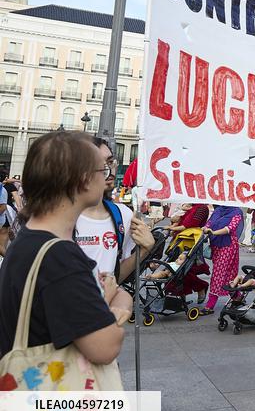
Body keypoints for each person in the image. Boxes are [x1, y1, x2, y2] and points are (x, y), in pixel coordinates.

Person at [0, 131, 131, 367]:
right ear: (83, 180)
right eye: (103, 170)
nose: (107, 177)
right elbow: (105, 346)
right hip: (55, 397)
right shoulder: (60, 256)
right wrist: (116, 303)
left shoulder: (30, 237)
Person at [74, 136, 154, 284]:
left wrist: (144, 250)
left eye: (110, 162)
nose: (108, 170)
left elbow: (115, 278)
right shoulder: (62, 216)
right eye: (97, 163)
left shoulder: (122, 214)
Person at [199, 205, 244, 315]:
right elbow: (210, 223)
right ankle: (237, 296)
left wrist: (213, 232)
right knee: (229, 274)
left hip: (228, 245)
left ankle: (210, 305)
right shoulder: (218, 210)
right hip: (216, 245)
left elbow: (231, 228)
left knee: (218, 274)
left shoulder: (237, 212)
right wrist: (205, 228)